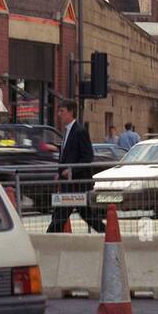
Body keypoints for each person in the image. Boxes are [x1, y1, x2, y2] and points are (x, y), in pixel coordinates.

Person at [46, 99, 104, 234]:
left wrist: (71, 170)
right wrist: (59, 172)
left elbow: (87, 156)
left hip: (77, 182)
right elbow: (68, 153)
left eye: (62, 111)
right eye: (58, 111)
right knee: (84, 214)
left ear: (71, 112)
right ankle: (107, 233)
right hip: (70, 183)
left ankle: (49, 240)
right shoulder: (67, 131)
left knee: (61, 214)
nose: (59, 114)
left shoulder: (80, 131)